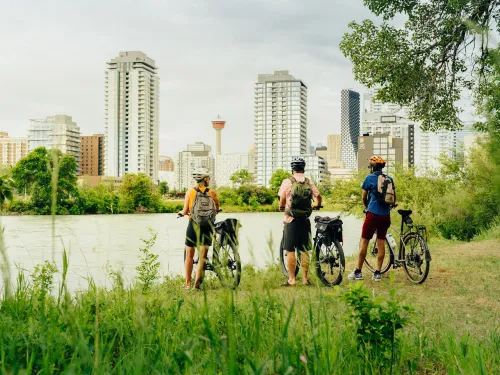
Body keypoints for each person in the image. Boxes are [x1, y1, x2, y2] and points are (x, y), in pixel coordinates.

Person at [348, 155, 397, 282]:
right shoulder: (389, 178)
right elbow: (393, 198)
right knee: (381, 242)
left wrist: (367, 207)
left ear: (372, 168)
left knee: (364, 241)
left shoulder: (369, 178)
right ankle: (377, 273)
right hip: (385, 216)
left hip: (373, 214)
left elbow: (363, 196)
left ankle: (358, 271)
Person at [278, 157, 322, 286]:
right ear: (303, 168)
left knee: (290, 250)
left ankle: (291, 279)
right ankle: (305, 279)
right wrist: (317, 205)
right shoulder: (309, 181)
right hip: (304, 220)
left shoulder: (287, 181)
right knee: (304, 250)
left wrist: (281, 207)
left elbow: (282, 199)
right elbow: (318, 196)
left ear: (292, 169)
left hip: (290, 219)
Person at [178, 169, 220, 290]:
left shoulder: (190, 192)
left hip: (193, 224)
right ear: (205, 179)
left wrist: (181, 213)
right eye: (209, 178)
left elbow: (185, 210)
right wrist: (216, 210)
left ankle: (187, 284)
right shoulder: (212, 192)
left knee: (189, 256)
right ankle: (197, 285)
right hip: (207, 226)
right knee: (203, 256)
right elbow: (217, 205)